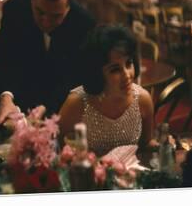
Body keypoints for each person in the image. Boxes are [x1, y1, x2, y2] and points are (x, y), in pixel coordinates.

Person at [0, 0, 95, 122]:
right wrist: (7, 96)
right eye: (40, 12)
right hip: (18, 101)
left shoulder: (84, 23)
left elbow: (76, 75)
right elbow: (4, 59)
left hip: (63, 106)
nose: (46, 22)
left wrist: (48, 107)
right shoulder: (14, 10)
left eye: (56, 16)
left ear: (68, 7)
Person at [58, 25, 155, 163]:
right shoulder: (76, 103)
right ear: (97, 73)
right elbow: (61, 152)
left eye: (129, 63)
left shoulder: (143, 100)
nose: (127, 75)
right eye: (115, 69)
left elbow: (146, 145)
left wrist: (165, 146)